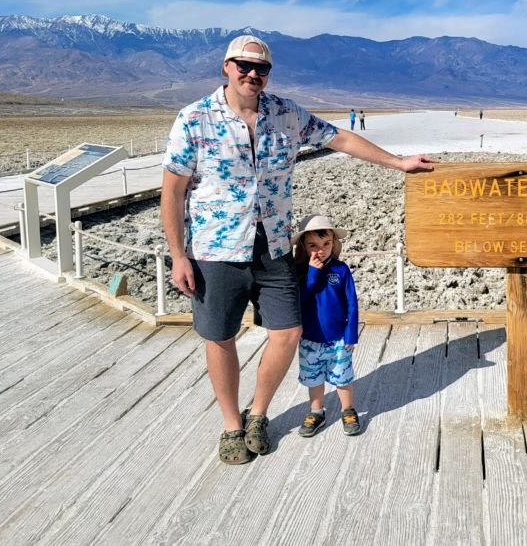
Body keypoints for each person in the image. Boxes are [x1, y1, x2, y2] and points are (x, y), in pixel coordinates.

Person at [161, 35, 434, 465]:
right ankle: (232, 426)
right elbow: (173, 190)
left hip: (272, 246)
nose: (253, 74)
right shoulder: (195, 118)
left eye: (261, 69)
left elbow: (339, 139)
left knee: (287, 332)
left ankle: (258, 413)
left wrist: (398, 163)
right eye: (243, 66)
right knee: (220, 337)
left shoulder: (286, 114)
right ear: (226, 67)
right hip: (215, 249)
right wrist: (178, 254)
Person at [293, 213, 360, 437]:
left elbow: (352, 303)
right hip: (310, 338)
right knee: (314, 378)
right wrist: (312, 272)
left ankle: (348, 409)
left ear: (334, 243)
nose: (320, 250)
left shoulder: (341, 270)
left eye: (326, 244)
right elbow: (302, 298)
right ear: (303, 246)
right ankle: (316, 411)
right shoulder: (300, 272)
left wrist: (351, 334)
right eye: (312, 245)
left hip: (339, 337)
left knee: (343, 377)